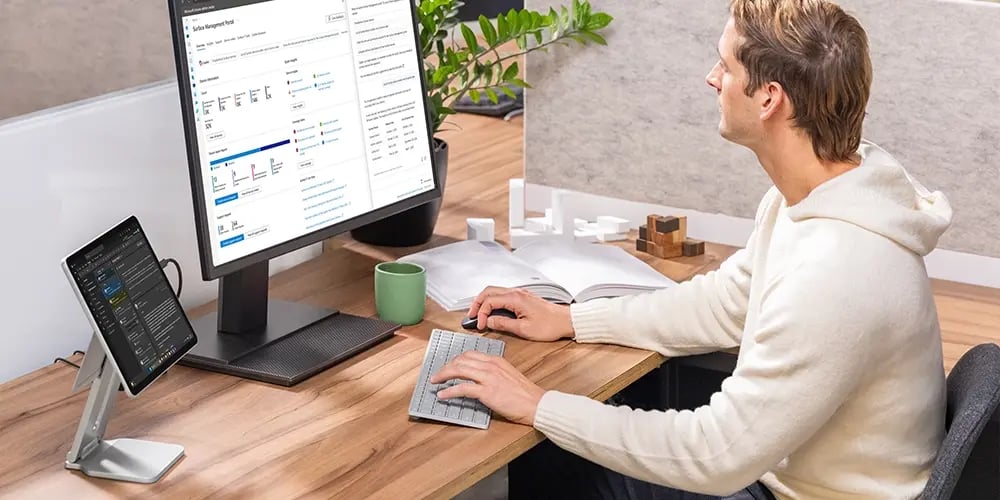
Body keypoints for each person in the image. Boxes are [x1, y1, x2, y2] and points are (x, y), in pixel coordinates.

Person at [429, 0, 953, 498]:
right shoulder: (819, 194)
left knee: (551, 464)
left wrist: (537, 403)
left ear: (769, 98)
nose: (712, 78)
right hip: (781, 475)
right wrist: (570, 319)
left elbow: (715, 455)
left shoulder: (837, 270)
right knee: (564, 449)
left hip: (788, 491)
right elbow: (724, 305)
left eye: (726, 66)